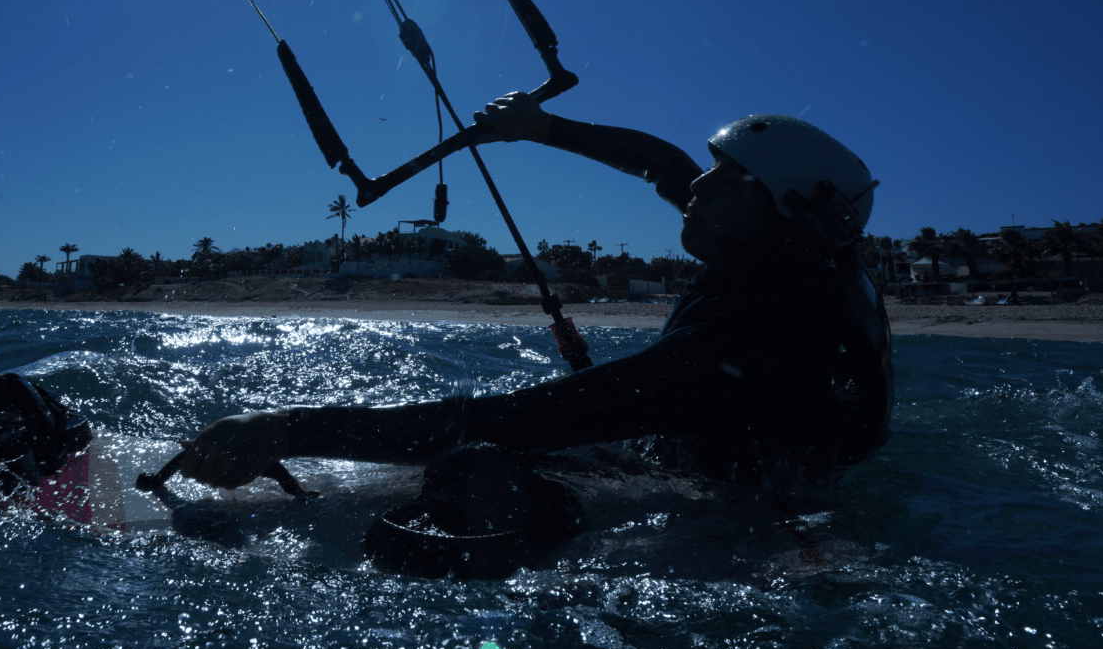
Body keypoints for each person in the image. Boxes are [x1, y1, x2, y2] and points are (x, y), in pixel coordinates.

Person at [176, 94, 893, 492]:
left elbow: (518, 418)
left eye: (725, 181)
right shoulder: (790, 253)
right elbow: (661, 162)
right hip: (716, 458)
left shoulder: (758, 337)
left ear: (789, 208)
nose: (696, 191)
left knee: (474, 477)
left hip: (737, 529)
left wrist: (292, 427)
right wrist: (539, 128)